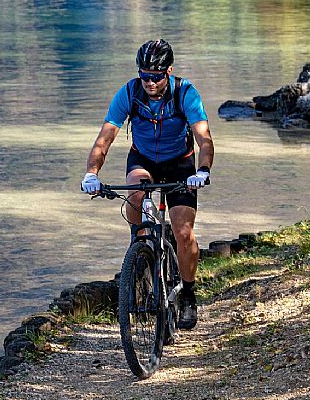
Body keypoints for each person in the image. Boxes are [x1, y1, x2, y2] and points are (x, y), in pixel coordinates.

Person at [80, 39, 214, 330]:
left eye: (156, 76)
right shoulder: (129, 92)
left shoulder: (185, 93)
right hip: (143, 160)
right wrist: (92, 173)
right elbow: (105, 139)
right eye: (144, 75)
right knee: (136, 193)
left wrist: (202, 170)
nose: (150, 82)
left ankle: (188, 294)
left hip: (180, 164)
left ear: (168, 71)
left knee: (183, 232)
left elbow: (204, 138)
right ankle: (139, 244)